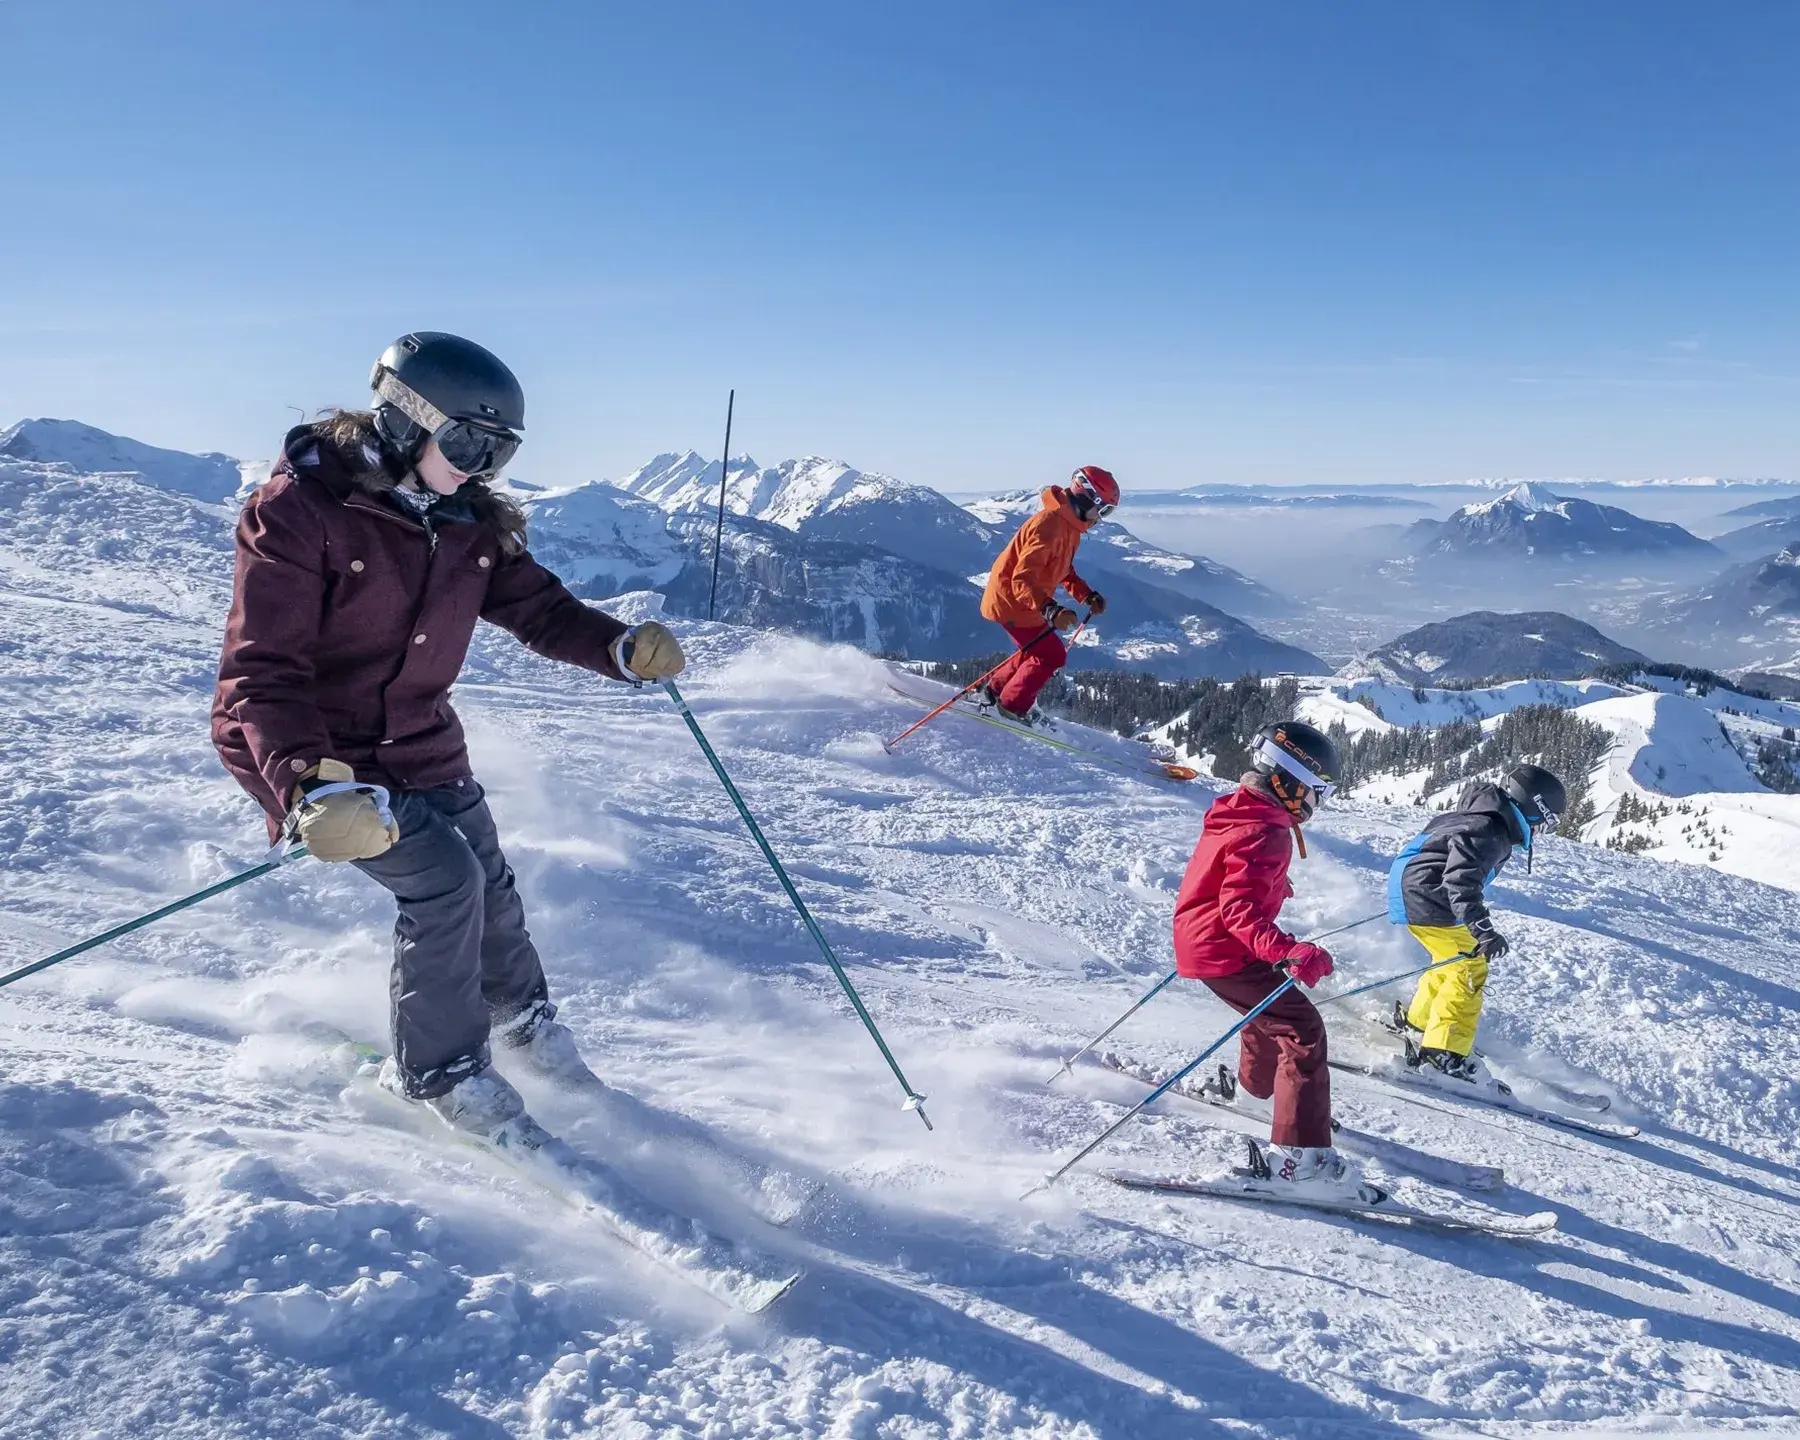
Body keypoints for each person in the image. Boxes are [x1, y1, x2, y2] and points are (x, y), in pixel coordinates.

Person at [212, 331, 687, 1141]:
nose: (480, 468)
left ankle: (521, 1026)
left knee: (490, 882)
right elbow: (263, 673)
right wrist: (307, 783)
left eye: (499, 452)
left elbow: (540, 609)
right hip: (314, 751)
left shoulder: (467, 521)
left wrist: (616, 648)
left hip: (418, 738)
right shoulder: (300, 512)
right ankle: (442, 1072)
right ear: (406, 419)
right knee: (443, 881)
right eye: (468, 444)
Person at [1171, 721, 1366, 1196]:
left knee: (1268, 1014)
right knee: (1302, 1030)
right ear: (1292, 781)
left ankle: (1257, 1094)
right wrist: (1288, 950)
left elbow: (1229, 875)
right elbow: (1239, 911)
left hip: (1204, 940)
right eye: (1318, 791)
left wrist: (1273, 884)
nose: (1317, 803)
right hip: (1225, 948)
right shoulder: (1267, 831)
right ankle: (1301, 1161)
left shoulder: (1242, 810)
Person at [1387, 762, 1567, 1084]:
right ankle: (1444, 1052)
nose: (1542, 831)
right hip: (1430, 896)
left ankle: (1420, 1023)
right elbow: (1461, 882)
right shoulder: (1490, 830)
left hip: (1414, 890)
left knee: (1449, 961)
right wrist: (1483, 931)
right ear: (1534, 807)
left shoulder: (1478, 816)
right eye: (1546, 822)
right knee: (1470, 967)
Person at [976, 466, 1119, 723]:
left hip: (1023, 601)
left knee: (1034, 648)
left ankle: (995, 692)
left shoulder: (1068, 526)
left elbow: (1062, 567)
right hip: (1012, 601)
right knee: (1052, 654)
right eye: (1104, 509)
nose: (1102, 517)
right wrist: (1050, 609)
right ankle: (1012, 707)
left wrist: (1086, 595)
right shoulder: (1050, 525)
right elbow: (1022, 577)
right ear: (1088, 498)